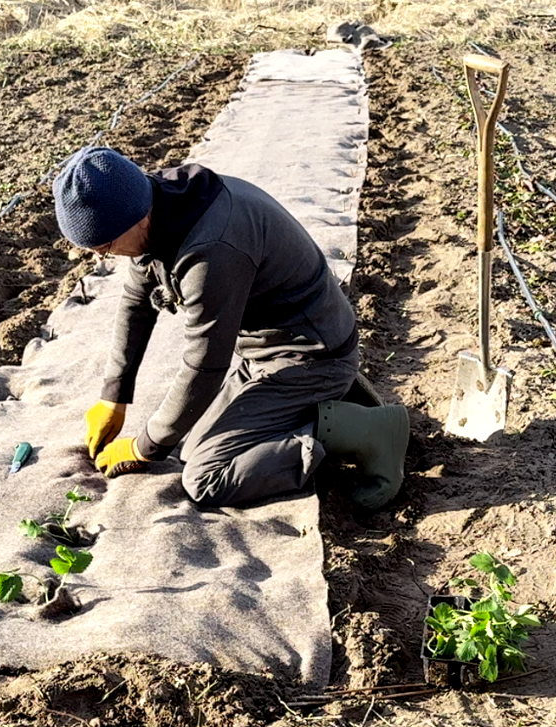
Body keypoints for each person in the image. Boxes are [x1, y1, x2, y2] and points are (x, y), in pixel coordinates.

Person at [51, 146, 408, 509]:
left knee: (207, 477)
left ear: (138, 217)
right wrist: (114, 395)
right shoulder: (157, 202)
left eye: (105, 245)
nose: (100, 255)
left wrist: (143, 448)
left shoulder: (212, 248)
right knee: (187, 446)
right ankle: (331, 406)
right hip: (267, 353)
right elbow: (136, 302)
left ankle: (367, 433)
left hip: (311, 358)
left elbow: (204, 364)